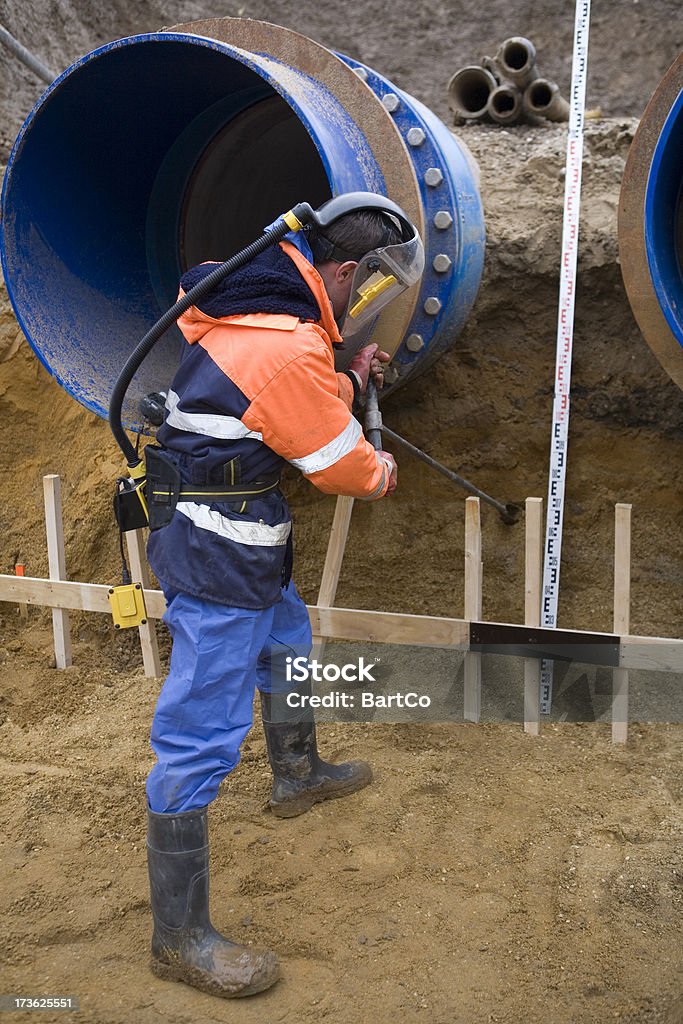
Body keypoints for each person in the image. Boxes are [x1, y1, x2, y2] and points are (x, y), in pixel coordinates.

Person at [143, 193, 424, 998]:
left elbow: (274, 400)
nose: (360, 303)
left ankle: (296, 776)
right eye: (362, 288)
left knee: (288, 650)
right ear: (339, 270)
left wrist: (342, 372)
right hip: (217, 552)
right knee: (201, 726)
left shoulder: (249, 304)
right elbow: (343, 469)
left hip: (240, 534)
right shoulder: (285, 346)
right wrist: (379, 469)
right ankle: (179, 938)